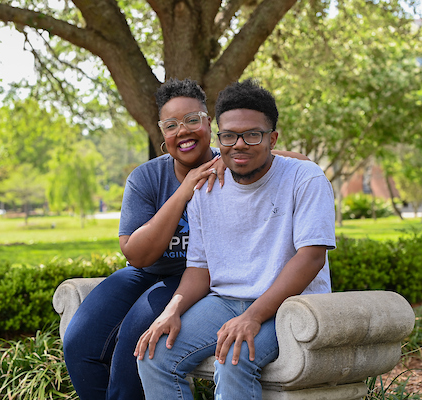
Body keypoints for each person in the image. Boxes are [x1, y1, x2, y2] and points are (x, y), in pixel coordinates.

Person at [63, 78, 309, 399]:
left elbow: (300, 163)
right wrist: (185, 189)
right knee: (79, 341)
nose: (183, 131)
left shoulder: (237, 161)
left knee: (137, 338)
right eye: (171, 125)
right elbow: (137, 256)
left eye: (193, 120)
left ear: (209, 123)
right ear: (162, 134)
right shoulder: (146, 177)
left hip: (200, 274)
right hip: (148, 271)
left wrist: (229, 154)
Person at [135, 79, 336, 400]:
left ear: (272, 138)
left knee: (234, 356)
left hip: (291, 303)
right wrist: (171, 310)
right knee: (155, 354)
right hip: (225, 301)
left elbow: (311, 257)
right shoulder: (206, 187)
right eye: (228, 136)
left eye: (252, 135)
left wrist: (253, 317)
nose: (238, 144)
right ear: (219, 137)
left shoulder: (305, 178)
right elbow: (200, 269)